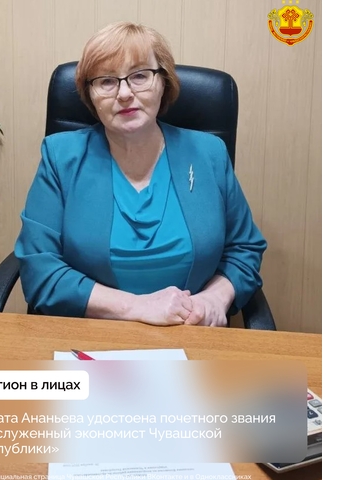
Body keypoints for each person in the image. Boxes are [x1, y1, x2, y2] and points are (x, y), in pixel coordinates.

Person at [15, 21, 267, 327]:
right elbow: (39, 270)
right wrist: (138, 307)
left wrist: (215, 299)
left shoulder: (208, 153)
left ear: (164, 82)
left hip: (191, 330)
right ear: (90, 94)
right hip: (90, 332)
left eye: (139, 76)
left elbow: (244, 248)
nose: (124, 93)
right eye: (106, 81)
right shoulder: (61, 157)